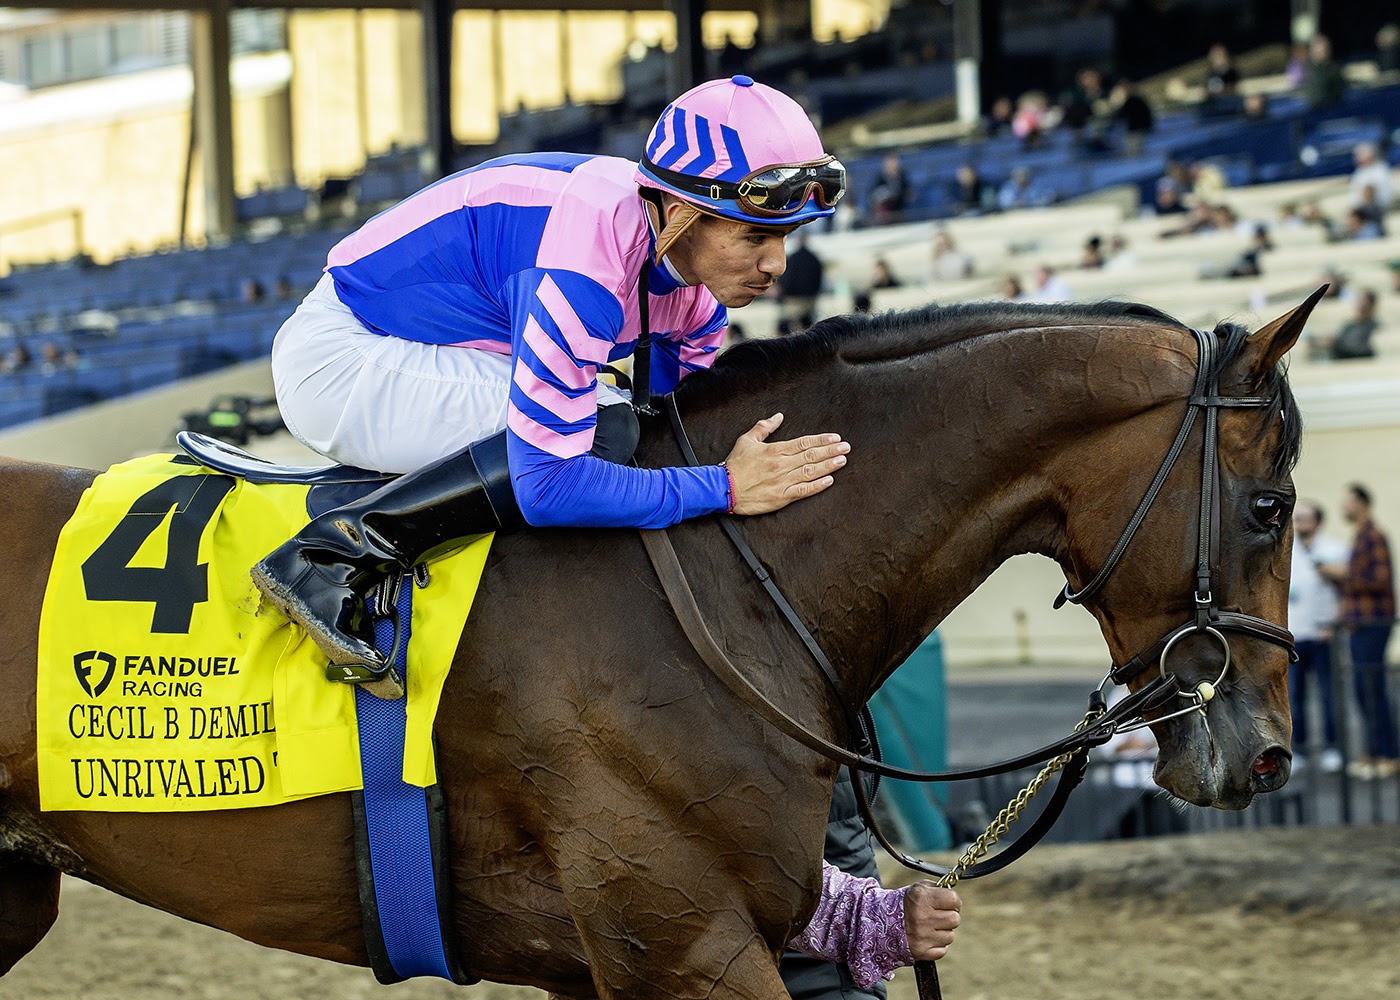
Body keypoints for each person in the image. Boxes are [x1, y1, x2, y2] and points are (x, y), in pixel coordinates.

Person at [253, 76, 854, 688]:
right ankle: (330, 555)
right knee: (603, 427)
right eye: (755, 235)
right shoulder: (586, 264)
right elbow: (548, 484)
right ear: (680, 215)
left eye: (785, 237)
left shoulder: (696, 303)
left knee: (627, 428)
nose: (776, 264)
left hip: (438, 347)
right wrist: (724, 487)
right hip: (342, 358)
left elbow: (678, 434)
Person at [1320, 484, 1398, 780]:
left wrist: (1343, 573)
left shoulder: (1373, 536)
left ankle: (1387, 754)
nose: (1343, 506)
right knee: (1363, 691)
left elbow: (1379, 580)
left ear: (1362, 503)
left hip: (1372, 623)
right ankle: (1374, 752)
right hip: (1360, 624)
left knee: (1371, 689)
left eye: (1348, 501)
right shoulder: (1362, 536)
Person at [1288, 501, 1349, 772]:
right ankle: (1298, 750)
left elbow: (1347, 591)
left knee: (1328, 695)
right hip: (1295, 635)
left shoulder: (1335, 549)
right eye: (1296, 518)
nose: (1298, 523)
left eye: (1305, 518)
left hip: (1324, 635)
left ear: (1318, 521)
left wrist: (1335, 623)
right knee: (1295, 697)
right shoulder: (1286, 550)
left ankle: (1333, 748)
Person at [777, 232, 825, 334]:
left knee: (786, 327)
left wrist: (782, 292)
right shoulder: (813, 258)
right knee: (808, 328)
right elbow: (819, 278)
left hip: (793, 300)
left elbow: (787, 278)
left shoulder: (793, 258)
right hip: (809, 298)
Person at [1326, 289, 1380, 360]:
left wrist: (1336, 344)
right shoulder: (1348, 326)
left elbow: (1367, 350)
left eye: (1364, 306)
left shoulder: (1376, 328)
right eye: (1359, 304)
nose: (1361, 308)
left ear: (1372, 307)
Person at [1302, 35, 1347, 110]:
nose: (1323, 53)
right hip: (1319, 109)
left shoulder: (1334, 67)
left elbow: (1341, 89)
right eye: (1319, 51)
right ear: (1313, 52)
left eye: (1325, 49)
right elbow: (1319, 96)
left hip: (1337, 107)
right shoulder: (1310, 71)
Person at [1348, 142, 1393, 216]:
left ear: (1369, 156)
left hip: (1377, 208)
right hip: (1361, 208)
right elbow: (1354, 193)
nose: (1357, 159)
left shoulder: (1381, 170)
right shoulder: (1360, 171)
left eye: (1360, 156)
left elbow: (1384, 195)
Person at [867, 153, 909, 226]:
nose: (892, 165)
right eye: (889, 162)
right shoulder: (880, 179)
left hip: (900, 208)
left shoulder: (903, 177)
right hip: (886, 212)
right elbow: (873, 194)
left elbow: (908, 192)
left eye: (894, 162)